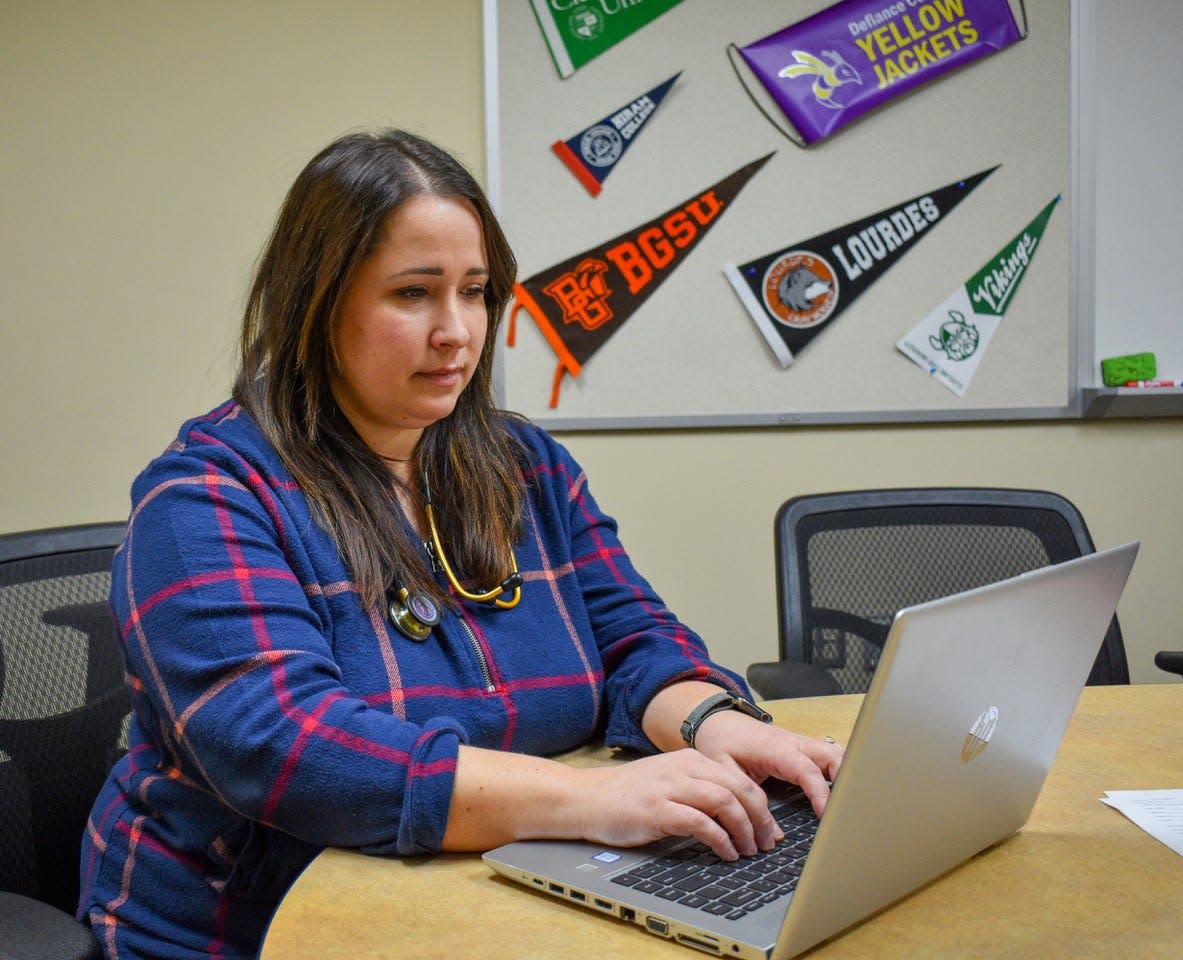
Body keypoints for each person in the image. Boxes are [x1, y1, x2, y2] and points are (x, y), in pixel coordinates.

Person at [79, 128, 843, 959]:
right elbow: (285, 745)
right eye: (413, 294)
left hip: (498, 902)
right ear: (315, 301)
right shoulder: (203, 497)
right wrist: (594, 798)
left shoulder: (526, 465)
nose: (457, 332)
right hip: (252, 931)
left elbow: (632, 641)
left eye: (474, 292)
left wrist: (714, 722)